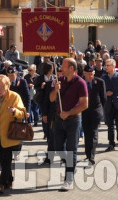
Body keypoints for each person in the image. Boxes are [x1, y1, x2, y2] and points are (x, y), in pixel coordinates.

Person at [50, 58, 88, 191]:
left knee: (72, 149)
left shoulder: (81, 83)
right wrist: (55, 90)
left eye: (64, 66)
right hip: (59, 119)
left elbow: (84, 104)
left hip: (73, 120)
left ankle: (68, 179)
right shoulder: (59, 80)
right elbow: (51, 98)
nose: (61, 68)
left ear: (71, 68)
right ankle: (71, 167)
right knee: (58, 148)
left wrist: (69, 113)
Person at [0, 74, 26, 194]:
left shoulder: (14, 96)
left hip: (10, 134)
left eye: (0, 89)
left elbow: (23, 113)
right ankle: (9, 180)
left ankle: (2, 184)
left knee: (6, 161)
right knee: (3, 161)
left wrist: (15, 111)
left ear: (7, 87)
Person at [81, 65, 105, 165]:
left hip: (95, 111)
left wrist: (100, 110)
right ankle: (87, 153)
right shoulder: (80, 82)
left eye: (92, 74)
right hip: (84, 111)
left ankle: (92, 156)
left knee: (94, 133)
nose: (90, 76)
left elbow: (104, 98)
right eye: (88, 74)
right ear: (84, 74)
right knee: (87, 133)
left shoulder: (99, 82)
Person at [35, 61, 56, 164]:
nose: (53, 69)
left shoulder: (55, 78)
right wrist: (42, 87)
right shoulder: (40, 78)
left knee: (54, 135)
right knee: (48, 133)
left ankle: (52, 155)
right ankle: (50, 155)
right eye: (51, 68)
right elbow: (36, 89)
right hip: (45, 106)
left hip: (55, 109)